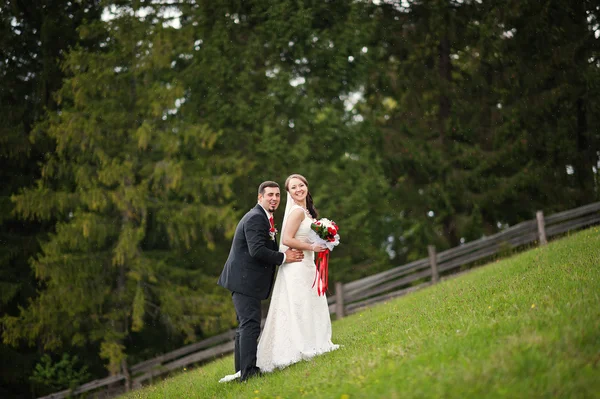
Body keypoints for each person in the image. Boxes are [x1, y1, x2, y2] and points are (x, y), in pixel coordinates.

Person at [217, 181, 304, 382]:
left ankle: (242, 371)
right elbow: (256, 250)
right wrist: (283, 257)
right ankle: (248, 373)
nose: (274, 198)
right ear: (260, 198)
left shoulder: (264, 217)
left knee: (245, 325)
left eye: (277, 195)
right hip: (244, 281)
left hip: (242, 280)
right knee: (250, 325)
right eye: (269, 195)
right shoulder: (256, 218)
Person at [256, 174, 339, 373]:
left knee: (309, 304)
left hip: (307, 264)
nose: (299, 189)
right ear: (290, 193)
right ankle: (298, 347)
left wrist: (327, 239)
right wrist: (311, 246)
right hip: (298, 265)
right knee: (299, 306)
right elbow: (286, 239)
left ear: (306, 187)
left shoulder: (306, 212)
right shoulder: (296, 212)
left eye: (301, 185)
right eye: (293, 187)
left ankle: (314, 341)